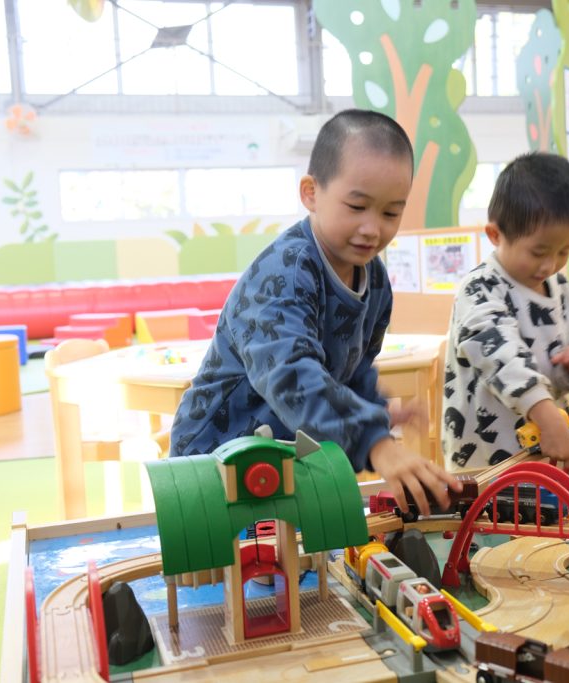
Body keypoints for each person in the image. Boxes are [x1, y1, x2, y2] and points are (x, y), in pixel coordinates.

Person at [170, 109, 460, 515]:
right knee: (229, 554)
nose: (372, 228)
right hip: (214, 462)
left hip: (287, 459)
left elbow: (354, 371)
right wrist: (376, 442)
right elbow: (291, 373)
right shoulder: (284, 272)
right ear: (311, 193)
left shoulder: (374, 280)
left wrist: (374, 409)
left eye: (390, 213)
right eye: (357, 206)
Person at [442, 152, 569, 470]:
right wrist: (545, 414)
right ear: (495, 235)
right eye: (538, 252)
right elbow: (499, 355)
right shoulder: (479, 288)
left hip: (547, 453)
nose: (550, 265)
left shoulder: (561, 290)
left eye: (564, 251)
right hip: (486, 465)